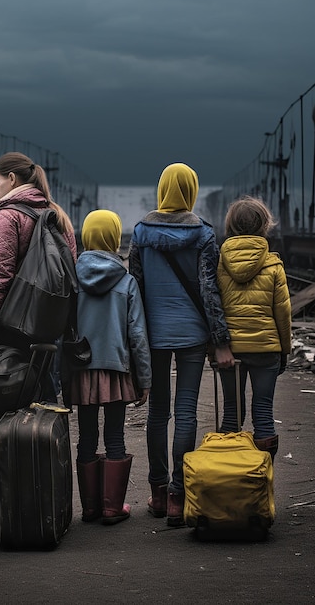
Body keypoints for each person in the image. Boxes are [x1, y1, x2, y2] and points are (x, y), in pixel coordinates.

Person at [129, 162, 234, 527]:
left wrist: (133, 341)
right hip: (192, 335)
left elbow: (135, 290)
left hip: (153, 337)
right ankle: (178, 496)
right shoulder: (204, 234)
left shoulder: (141, 232)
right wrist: (221, 341)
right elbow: (209, 291)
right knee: (186, 411)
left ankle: (158, 494)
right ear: (190, 190)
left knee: (158, 413)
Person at [69, 209, 151, 526]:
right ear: (115, 237)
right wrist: (144, 379)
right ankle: (112, 507)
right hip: (116, 371)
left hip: (83, 370)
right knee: (115, 435)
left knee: (86, 436)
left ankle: (89, 508)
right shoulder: (126, 281)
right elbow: (138, 335)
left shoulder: (73, 277)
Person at [0, 151, 77, 352]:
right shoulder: (58, 216)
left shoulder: (9, 216)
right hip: (47, 324)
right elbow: (71, 271)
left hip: (8, 323)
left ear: (11, 178)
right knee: (41, 380)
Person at [217, 196, 292, 462]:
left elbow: (214, 307)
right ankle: (262, 481)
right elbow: (282, 313)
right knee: (263, 411)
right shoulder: (273, 264)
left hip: (231, 350)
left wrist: (214, 346)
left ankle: (230, 479)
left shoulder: (219, 263)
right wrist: (284, 349)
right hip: (266, 350)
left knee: (230, 413)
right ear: (264, 225)